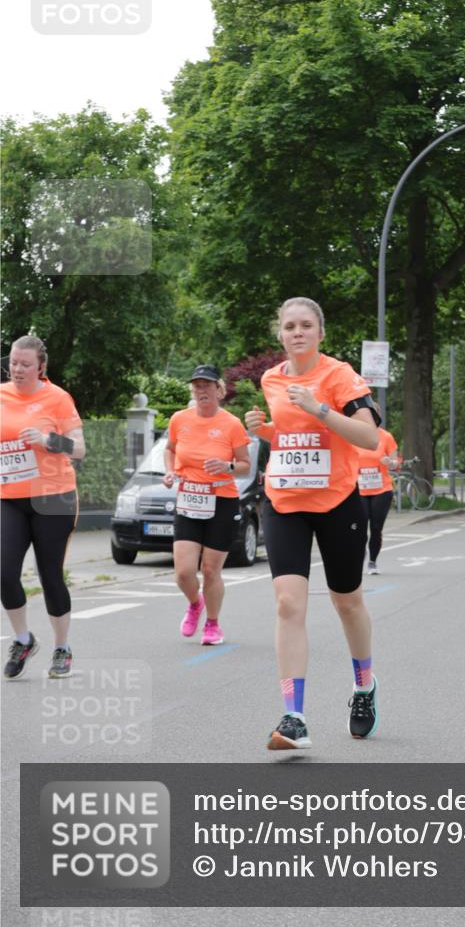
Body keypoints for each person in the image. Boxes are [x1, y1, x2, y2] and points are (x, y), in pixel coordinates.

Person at [245, 297, 379, 750]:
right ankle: (294, 716)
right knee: (288, 604)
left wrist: (321, 407)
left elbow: (369, 437)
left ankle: (364, 686)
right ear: (279, 334)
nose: (297, 332)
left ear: (321, 333)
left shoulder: (340, 376)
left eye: (306, 325)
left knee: (347, 603)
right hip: (284, 501)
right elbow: (292, 438)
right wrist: (264, 432)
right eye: (289, 326)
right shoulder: (271, 380)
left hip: (338, 500)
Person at [1, 335, 85, 679]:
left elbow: (79, 449)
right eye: (13, 363)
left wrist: (50, 440)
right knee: (4, 572)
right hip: (10, 497)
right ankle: (23, 639)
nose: (17, 369)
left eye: (25, 364)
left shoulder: (58, 398)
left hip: (55, 498)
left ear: (41, 367)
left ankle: (62, 647)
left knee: (49, 575)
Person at [163, 365, 250, 646]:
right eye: (197, 386)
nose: (202, 390)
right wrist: (169, 471)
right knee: (184, 572)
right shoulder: (179, 419)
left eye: (207, 385)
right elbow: (170, 450)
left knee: (211, 570)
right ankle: (194, 603)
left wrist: (226, 466)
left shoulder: (232, 424)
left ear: (218, 390)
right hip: (189, 499)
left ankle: (212, 624)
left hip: (221, 501)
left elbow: (245, 467)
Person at [355, 413, 400, 574]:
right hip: (359, 489)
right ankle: (359, 558)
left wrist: (390, 462)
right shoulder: (354, 435)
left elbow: (396, 463)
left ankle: (372, 561)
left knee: (375, 528)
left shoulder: (385, 437)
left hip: (381, 489)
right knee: (360, 528)